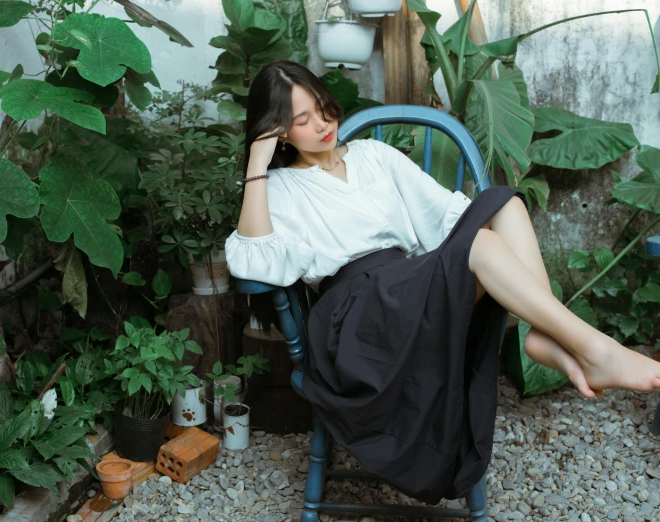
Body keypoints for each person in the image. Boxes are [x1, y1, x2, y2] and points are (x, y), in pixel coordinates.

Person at [224, 59, 660, 504]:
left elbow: (447, 218)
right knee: (484, 248)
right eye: (301, 120)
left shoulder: (375, 156)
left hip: (407, 287)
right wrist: (259, 162)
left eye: (321, 108)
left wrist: (462, 249)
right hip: (356, 319)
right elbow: (253, 263)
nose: (322, 124)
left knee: (503, 203)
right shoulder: (279, 187)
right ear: (277, 131)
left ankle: (545, 336)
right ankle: (596, 350)